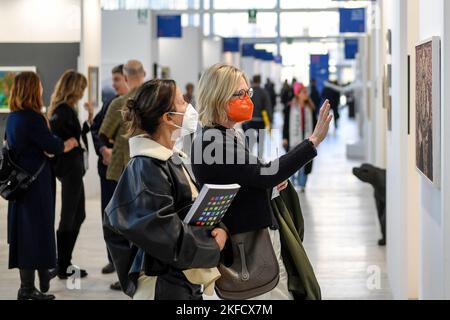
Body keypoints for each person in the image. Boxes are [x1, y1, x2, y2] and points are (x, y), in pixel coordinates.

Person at [191, 64, 332, 300]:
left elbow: (249, 177)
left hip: (251, 239)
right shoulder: (213, 141)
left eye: (248, 93)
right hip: (245, 245)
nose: (247, 99)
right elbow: (264, 173)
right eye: (240, 94)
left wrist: (268, 186)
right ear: (218, 96)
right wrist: (312, 142)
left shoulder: (225, 135)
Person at [103, 79, 228, 300]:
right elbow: (164, 234)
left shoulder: (170, 159)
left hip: (182, 277)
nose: (189, 107)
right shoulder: (147, 167)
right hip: (163, 283)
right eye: (181, 102)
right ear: (167, 118)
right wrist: (211, 246)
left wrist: (219, 227)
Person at [6, 72, 79, 300]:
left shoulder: (13, 118)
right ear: (31, 89)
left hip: (20, 185)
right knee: (37, 232)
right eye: (38, 85)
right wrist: (64, 143)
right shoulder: (33, 118)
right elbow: (53, 146)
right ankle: (29, 288)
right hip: (36, 186)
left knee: (24, 233)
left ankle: (30, 285)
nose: (41, 89)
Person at [48, 70, 94, 279]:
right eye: (81, 88)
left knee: (78, 214)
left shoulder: (66, 109)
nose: (83, 92)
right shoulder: (63, 110)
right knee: (69, 216)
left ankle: (64, 262)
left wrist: (89, 119)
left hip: (73, 167)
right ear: (74, 88)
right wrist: (65, 146)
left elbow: (74, 135)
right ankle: (62, 264)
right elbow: (56, 139)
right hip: (69, 168)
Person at [90, 64, 128, 290]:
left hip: (127, 171)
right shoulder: (109, 104)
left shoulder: (137, 105)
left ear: (127, 78)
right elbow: (95, 130)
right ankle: (112, 258)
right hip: (108, 172)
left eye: (116, 79)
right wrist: (104, 149)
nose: (113, 84)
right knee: (109, 215)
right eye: (112, 80)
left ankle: (126, 263)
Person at [99, 60, 145, 183]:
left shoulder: (119, 103)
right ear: (144, 74)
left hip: (126, 167)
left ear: (125, 77)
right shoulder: (156, 101)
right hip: (151, 165)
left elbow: (104, 135)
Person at [283, 82, 317, 192]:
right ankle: (292, 183)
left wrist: (316, 138)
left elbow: (315, 123)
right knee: (292, 161)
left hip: (307, 138)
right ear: (297, 94)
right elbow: (286, 124)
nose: (306, 94)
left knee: (306, 162)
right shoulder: (290, 107)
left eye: (306, 92)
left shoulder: (310, 107)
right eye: (303, 92)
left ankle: (302, 184)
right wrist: (285, 137)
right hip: (293, 139)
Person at [242, 74, 272, 158]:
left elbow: (244, 105)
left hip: (249, 120)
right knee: (261, 141)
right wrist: (270, 120)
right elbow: (267, 107)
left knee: (249, 140)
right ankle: (259, 159)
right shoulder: (264, 92)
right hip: (261, 120)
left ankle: (248, 157)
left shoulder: (248, 92)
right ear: (260, 81)